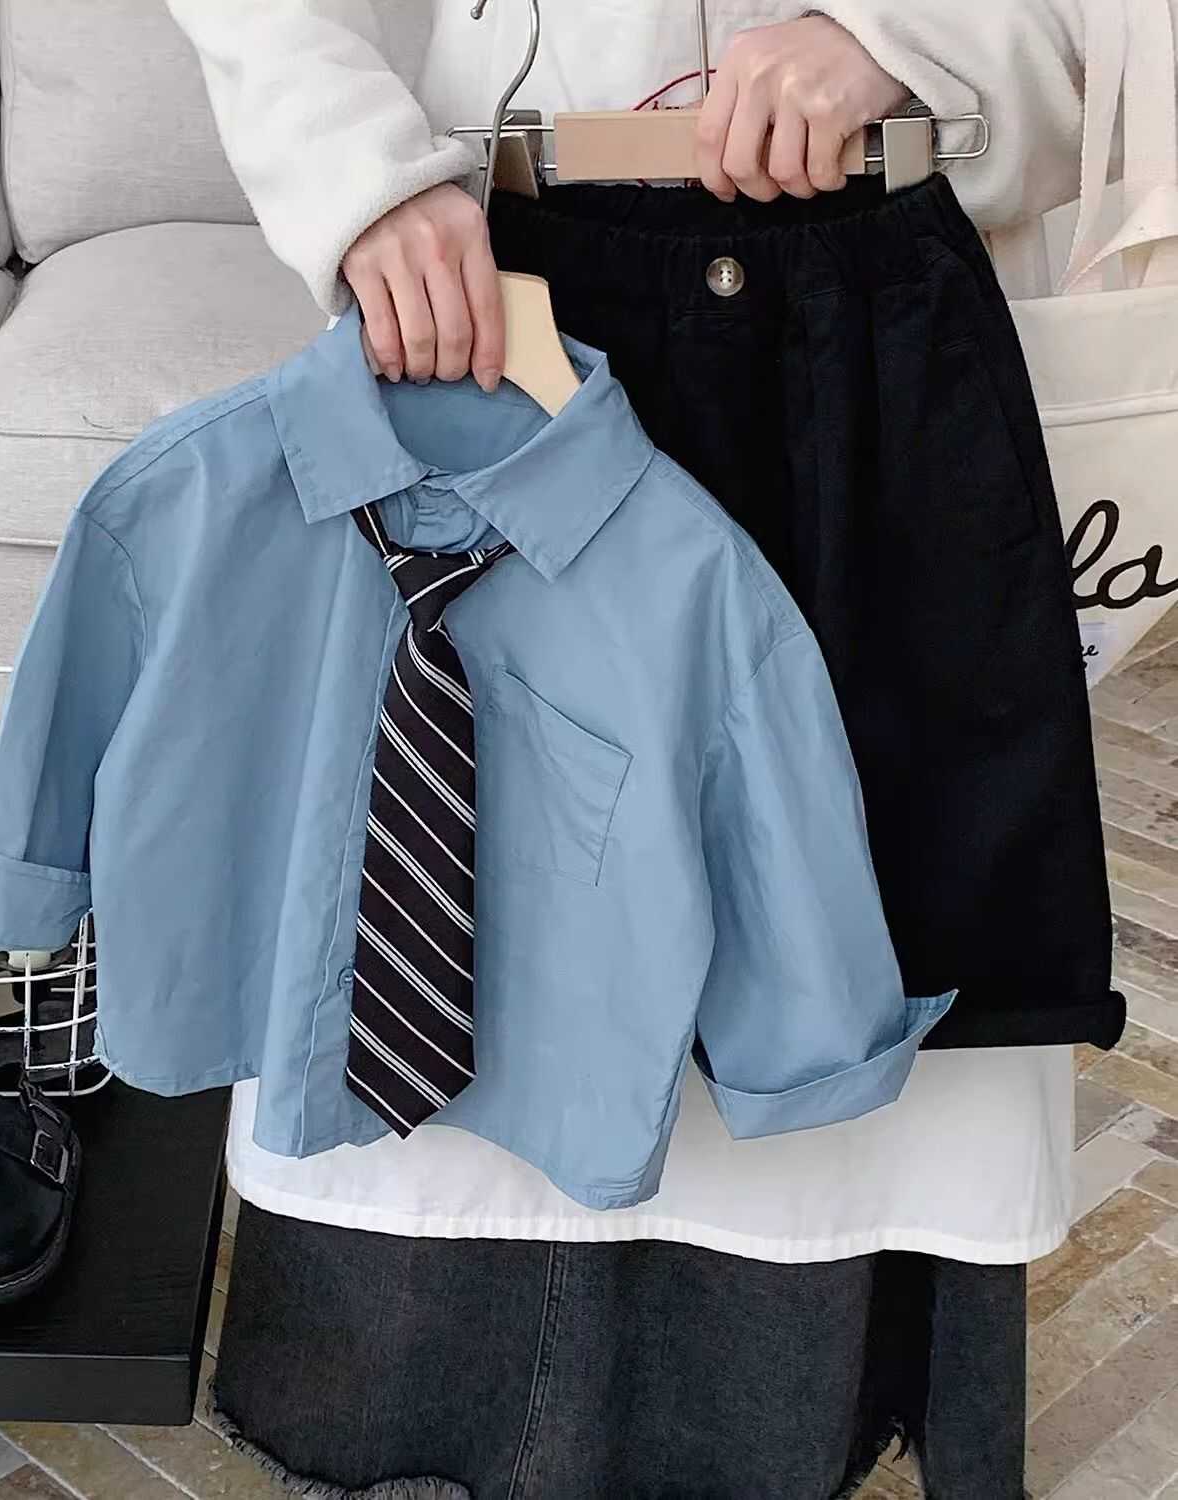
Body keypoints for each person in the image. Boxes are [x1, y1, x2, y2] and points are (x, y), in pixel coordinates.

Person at [165, 4, 1121, 1496]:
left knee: (874, 895)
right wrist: (355, 163)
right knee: (479, 900)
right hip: (490, 281)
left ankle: (800, 1424)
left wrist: (923, 31)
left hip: (890, 257)